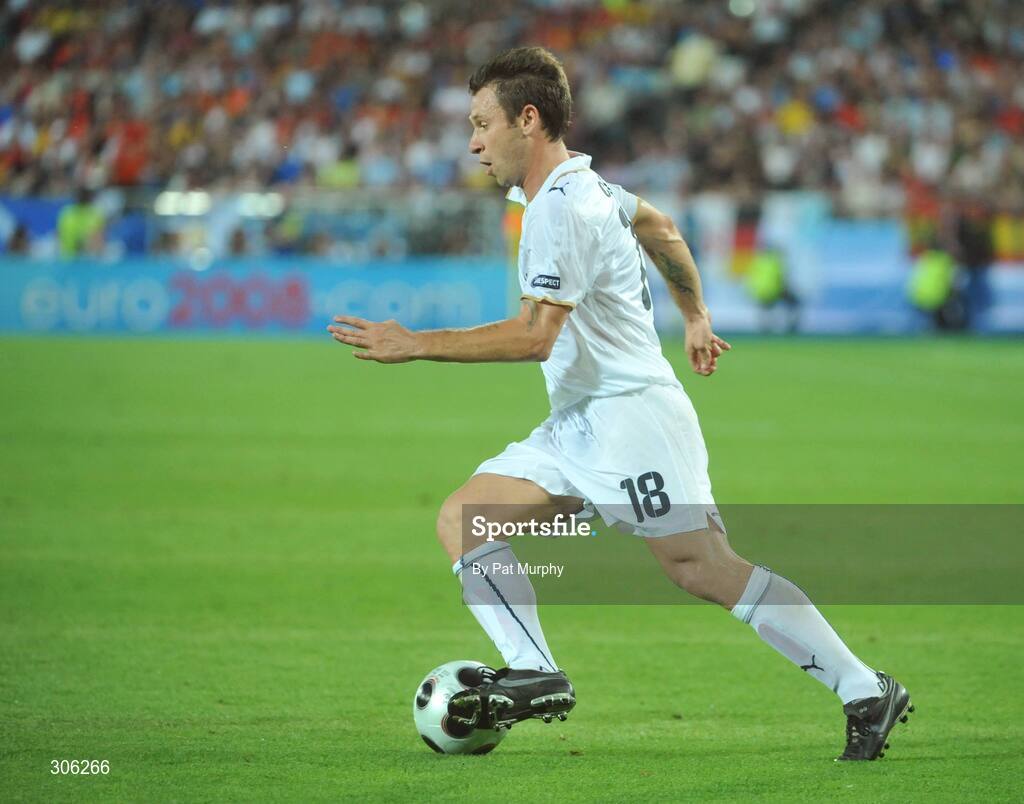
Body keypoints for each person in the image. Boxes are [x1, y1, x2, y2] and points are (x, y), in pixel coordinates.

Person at [328, 47, 912, 762]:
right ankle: (535, 670)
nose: (473, 143)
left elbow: (536, 336)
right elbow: (661, 228)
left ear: (528, 119)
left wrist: (417, 343)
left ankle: (864, 689)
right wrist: (694, 314)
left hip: (632, 418)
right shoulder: (588, 188)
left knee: (701, 567)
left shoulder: (561, 208)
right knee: (465, 518)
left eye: (482, 124)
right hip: (578, 422)